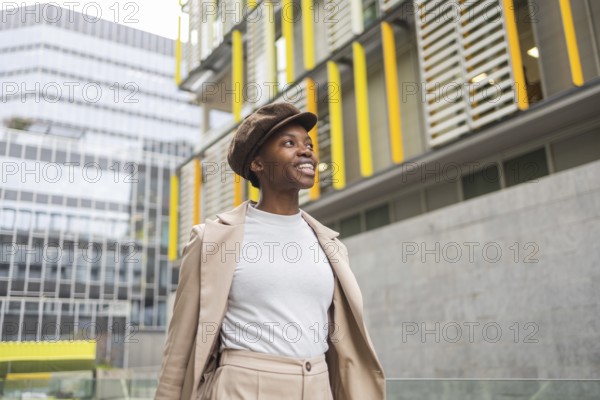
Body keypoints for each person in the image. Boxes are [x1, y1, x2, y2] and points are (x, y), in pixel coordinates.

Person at [155, 102, 385, 400]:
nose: (306, 152)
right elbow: (180, 348)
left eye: (308, 144)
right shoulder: (212, 240)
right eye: (289, 143)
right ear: (257, 164)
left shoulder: (330, 244)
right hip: (243, 387)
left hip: (318, 386)